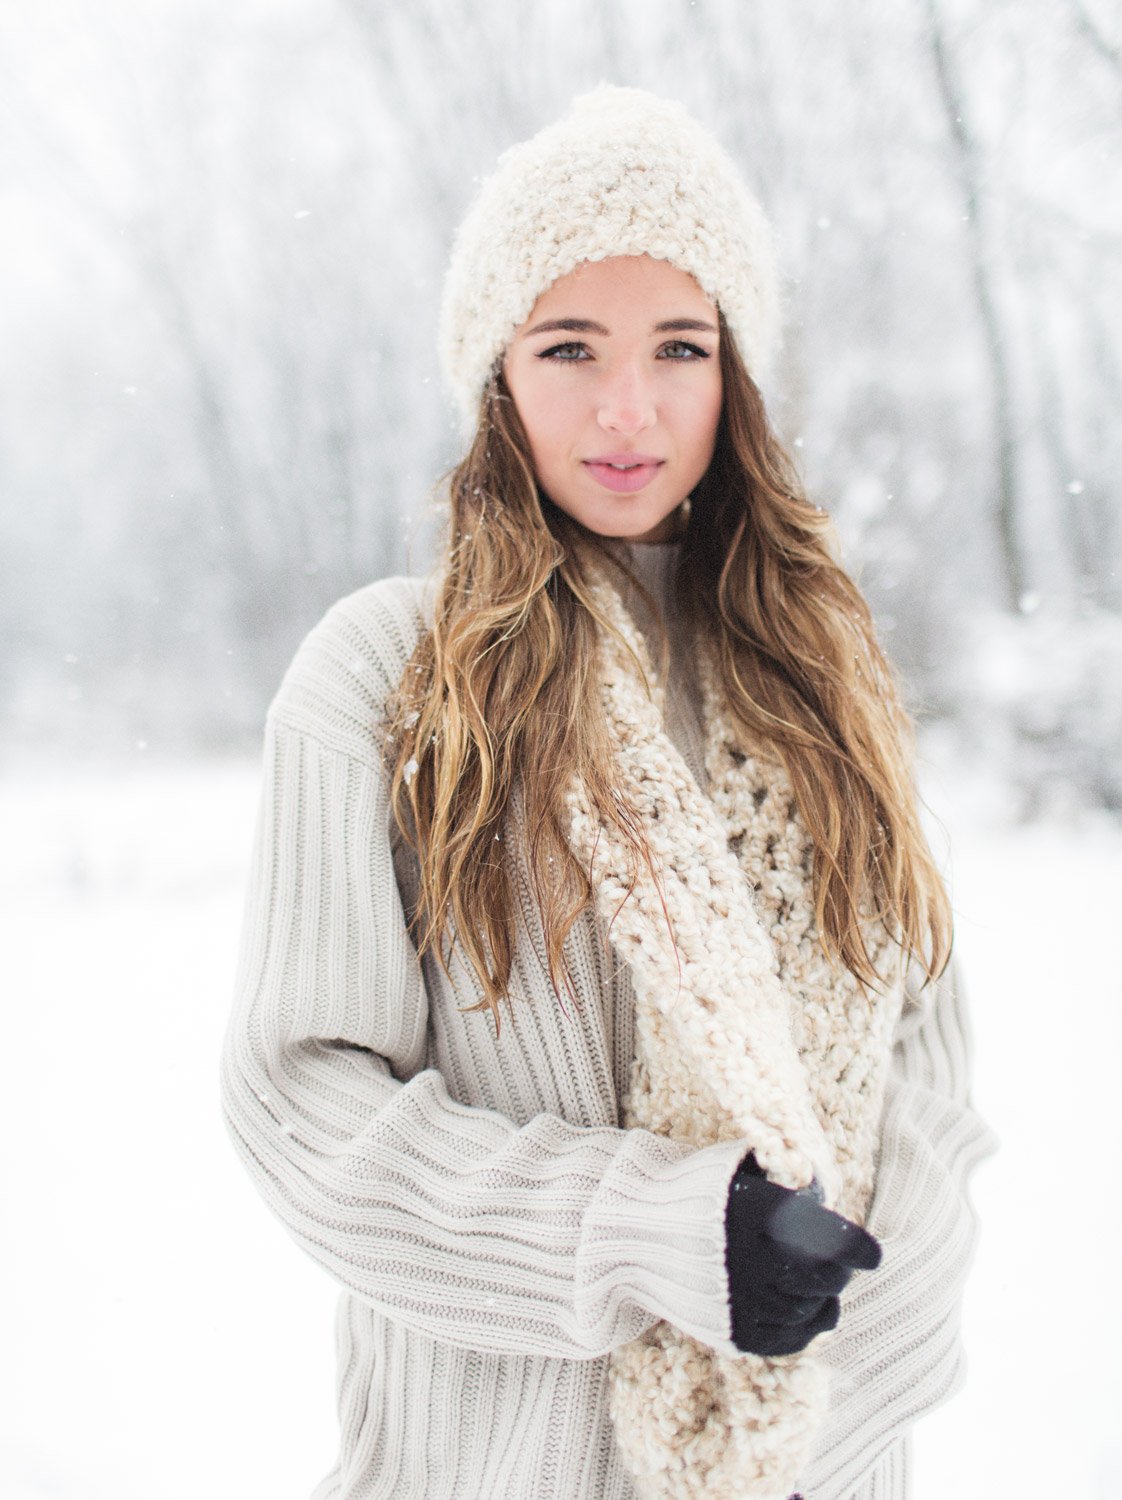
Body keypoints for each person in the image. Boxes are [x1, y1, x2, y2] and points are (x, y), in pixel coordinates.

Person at [220, 85, 995, 1500]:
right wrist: (652, 1234)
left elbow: (924, 1097)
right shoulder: (386, 679)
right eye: (568, 345)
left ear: (734, 377)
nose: (626, 407)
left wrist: (819, 1380)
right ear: (494, 374)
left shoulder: (827, 684)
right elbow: (304, 1104)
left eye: (677, 348)